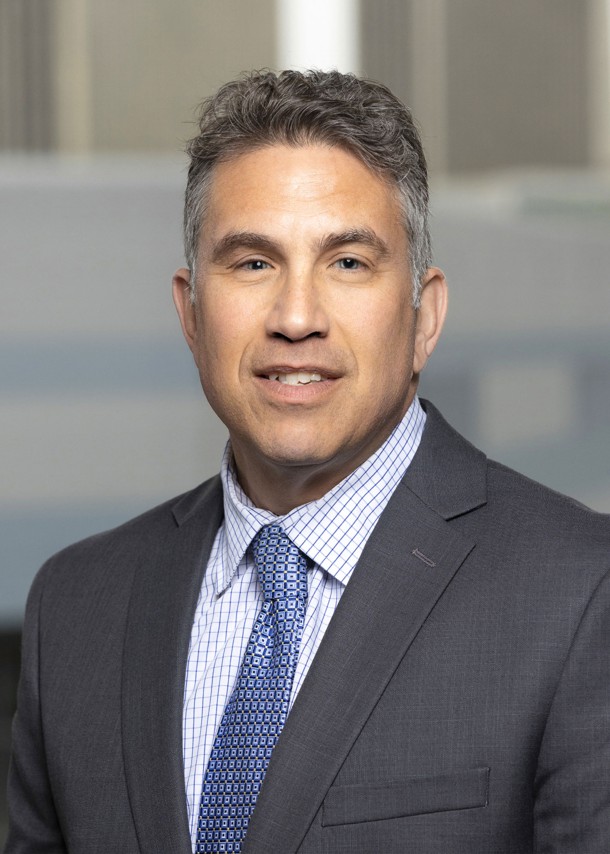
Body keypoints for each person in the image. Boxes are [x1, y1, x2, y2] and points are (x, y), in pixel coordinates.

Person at [5, 70, 610, 854]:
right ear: (191, 314)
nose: (296, 318)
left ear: (424, 316)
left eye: (348, 262)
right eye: (253, 263)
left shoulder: (581, 594)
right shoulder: (77, 607)